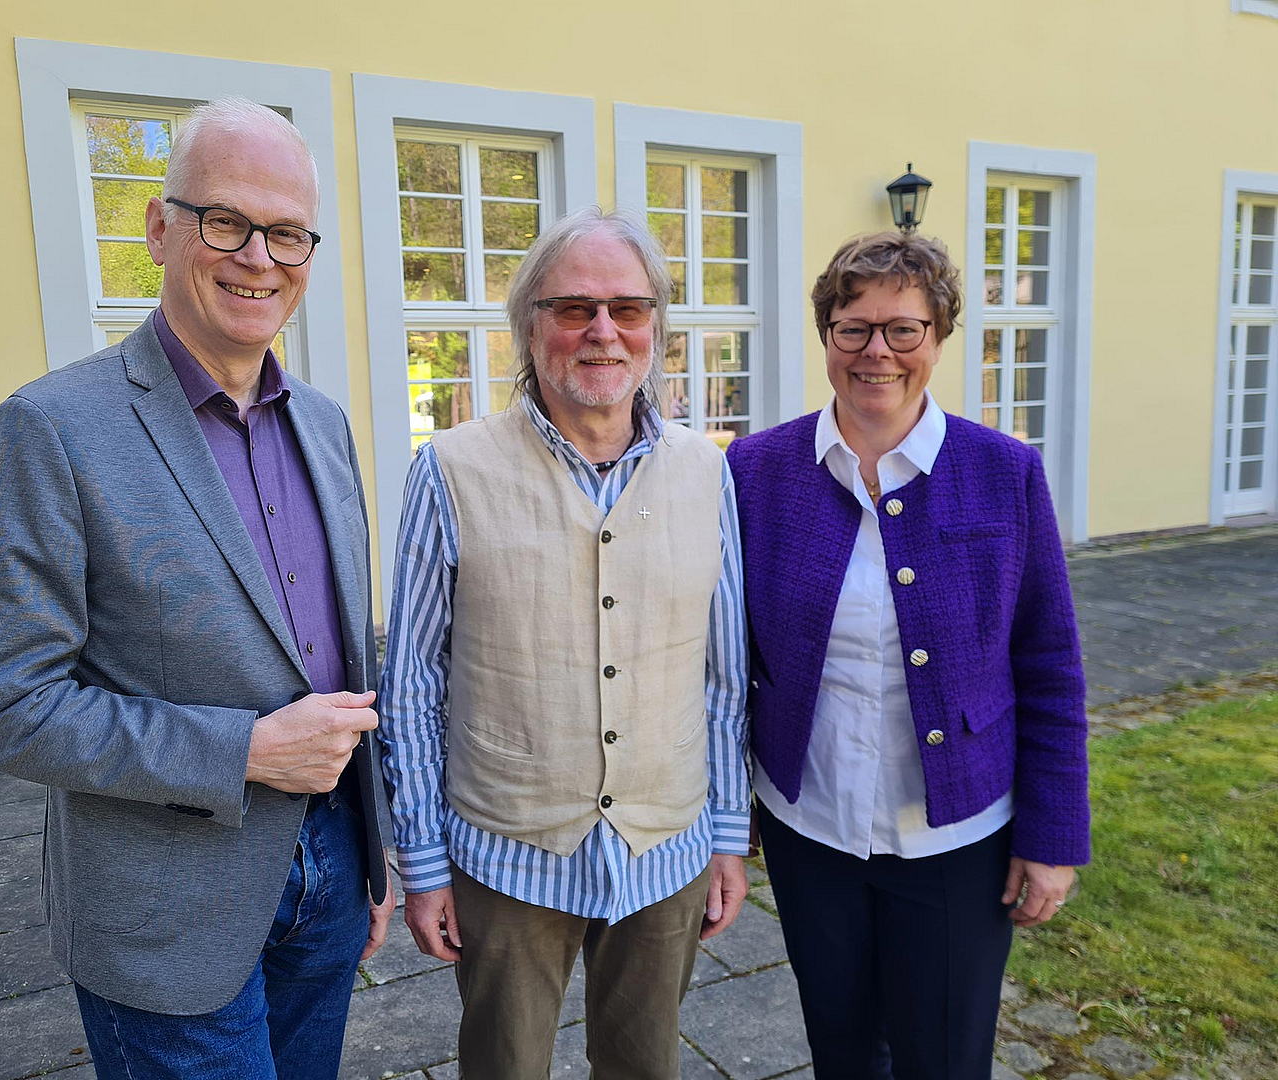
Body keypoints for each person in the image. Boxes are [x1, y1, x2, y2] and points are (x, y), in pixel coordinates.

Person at [0, 97, 393, 1080]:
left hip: (329, 873)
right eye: (224, 221)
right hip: (162, 912)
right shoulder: (49, 430)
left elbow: (342, 649)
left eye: (286, 232)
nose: (259, 258)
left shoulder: (325, 425)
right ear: (159, 226)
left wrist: (374, 851)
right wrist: (243, 750)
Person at [378, 205, 750, 1080]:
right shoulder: (452, 469)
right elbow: (410, 684)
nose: (602, 332)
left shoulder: (708, 471)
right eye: (573, 308)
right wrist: (424, 864)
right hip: (508, 853)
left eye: (628, 309)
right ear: (529, 327)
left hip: (668, 847)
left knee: (646, 1067)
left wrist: (728, 832)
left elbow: (724, 675)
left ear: (656, 327)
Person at [726, 231, 1089, 1080]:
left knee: (945, 1059)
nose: (876, 352)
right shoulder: (757, 470)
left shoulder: (1004, 473)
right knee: (842, 1050)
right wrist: (723, 821)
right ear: (826, 337)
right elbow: (725, 656)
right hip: (810, 828)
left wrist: (1054, 835)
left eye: (904, 329)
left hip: (956, 837)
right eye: (853, 328)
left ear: (938, 337)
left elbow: (1050, 664)